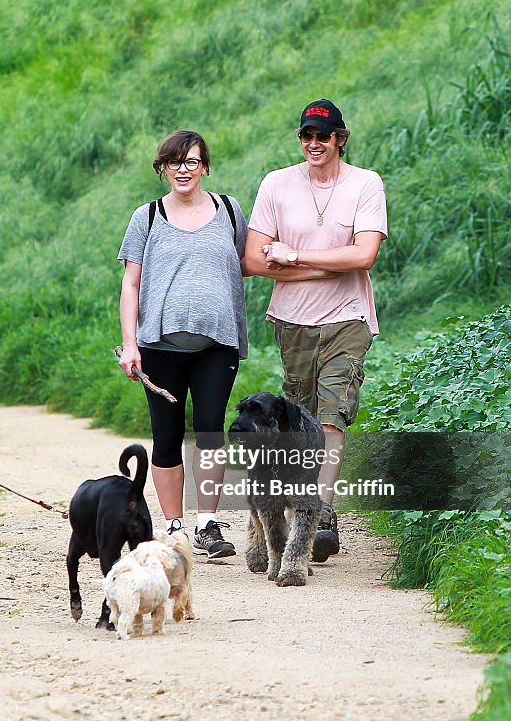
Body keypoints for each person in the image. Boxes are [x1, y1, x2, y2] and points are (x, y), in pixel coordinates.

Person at [243, 99, 386, 563]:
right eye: (306, 135)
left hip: (348, 316)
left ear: (340, 138)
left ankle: (321, 511)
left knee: (331, 416)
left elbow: (362, 256)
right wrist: (324, 268)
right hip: (292, 319)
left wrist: (294, 258)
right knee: (298, 420)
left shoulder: (366, 184)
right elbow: (251, 259)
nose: (314, 144)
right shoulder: (276, 184)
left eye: (323, 136)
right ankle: (283, 516)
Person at [118, 130, 248, 559]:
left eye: (191, 162)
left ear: (205, 166)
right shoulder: (148, 216)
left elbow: (247, 262)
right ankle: (175, 528)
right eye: (173, 163)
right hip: (159, 347)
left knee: (211, 429)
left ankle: (207, 525)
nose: (183, 171)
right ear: (163, 169)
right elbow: (131, 283)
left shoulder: (229, 211)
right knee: (167, 436)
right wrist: (130, 343)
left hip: (218, 345)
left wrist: (294, 259)